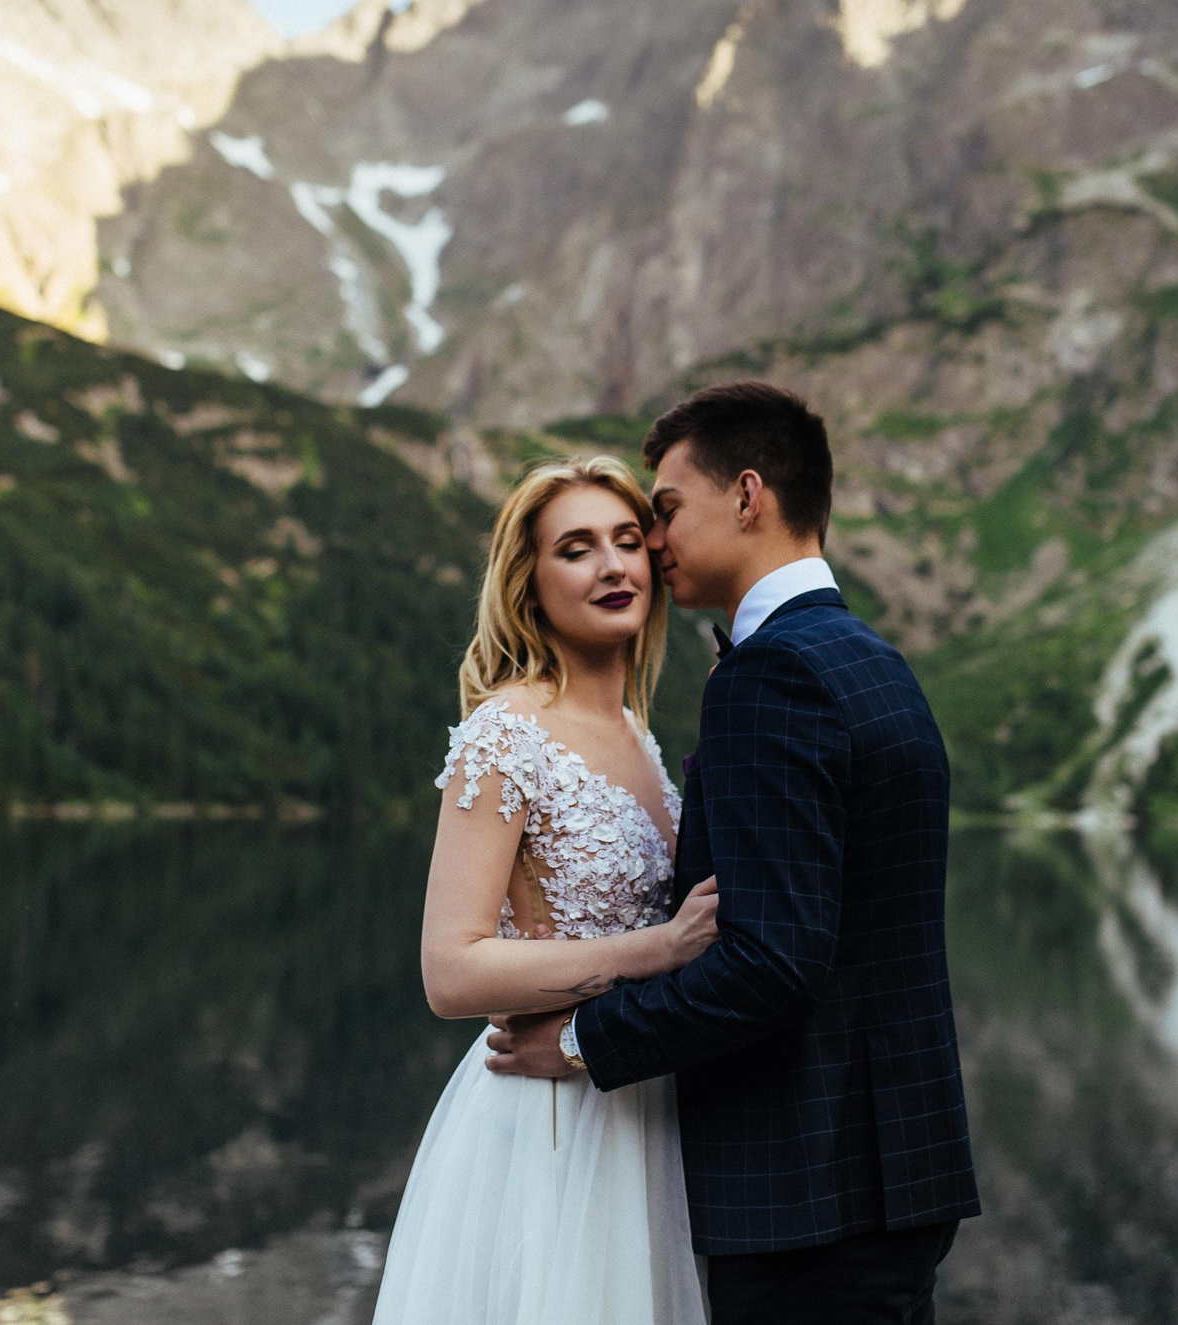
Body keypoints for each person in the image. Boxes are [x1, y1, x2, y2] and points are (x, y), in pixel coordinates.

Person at [487, 380, 981, 1324]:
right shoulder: (868, 657)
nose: (655, 540)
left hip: (806, 1190)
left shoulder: (773, 675)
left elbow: (771, 961)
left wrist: (585, 1042)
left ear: (748, 496)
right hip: (890, 1173)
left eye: (664, 511)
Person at [370, 455, 717, 1325]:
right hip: (551, 1126)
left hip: (647, 1103)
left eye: (629, 540)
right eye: (577, 547)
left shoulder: (639, 732)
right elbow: (450, 972)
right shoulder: (506, 731)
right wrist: (658, 947)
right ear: (530, 583)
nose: (612, 565)